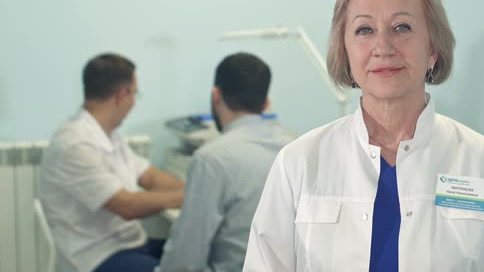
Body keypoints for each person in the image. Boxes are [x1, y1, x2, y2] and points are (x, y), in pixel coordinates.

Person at [243, 0, 484, 271]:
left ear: (433, 48)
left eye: (402, 27)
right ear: (346, 50)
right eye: (364, 30)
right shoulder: (298, 162)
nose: (383, 46)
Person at [40, 53, 184, 272]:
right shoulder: (75, 144)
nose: (134, 102)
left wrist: (189, 188)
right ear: (121, 95)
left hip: (131, 244)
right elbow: (128, 206)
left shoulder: (109, 135)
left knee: (198, 256)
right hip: (97, 257)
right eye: (135, 94)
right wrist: (192, 194)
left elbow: (149, 175)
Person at [157, 52, 294, 272]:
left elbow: (185, 258)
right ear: (266, 103)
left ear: (216, 95)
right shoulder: (295, 149)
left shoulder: (212, 159)